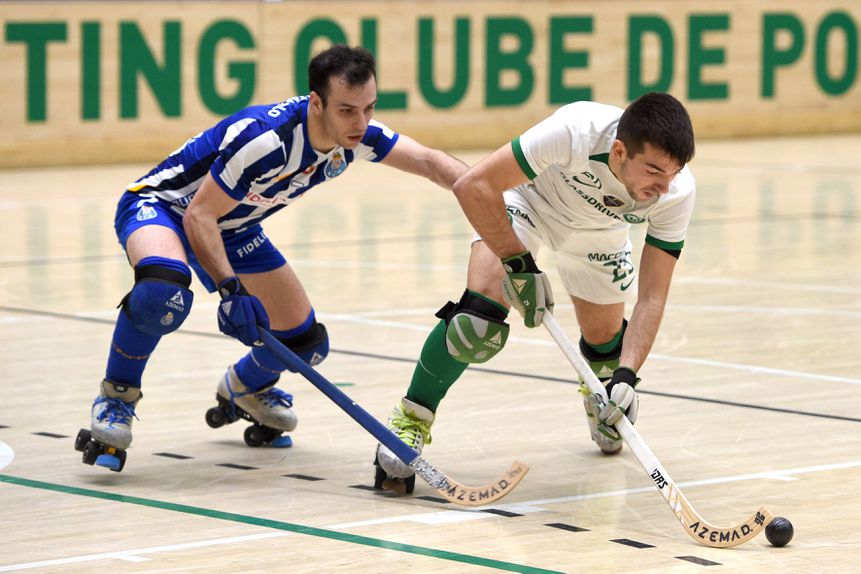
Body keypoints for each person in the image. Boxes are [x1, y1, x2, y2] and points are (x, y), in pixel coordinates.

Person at [75, 45, 469, 471]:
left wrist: (492, 199)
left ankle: (244, 389)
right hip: (165, 208)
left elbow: (430, 162)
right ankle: (117, 397)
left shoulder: (355, 138)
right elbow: (199, 215)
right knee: (162, 294)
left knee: (306, 344)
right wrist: (229, 290)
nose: (361, 123)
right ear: (316, 103)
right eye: (347, 110)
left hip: (233, 228)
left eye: (369, 108)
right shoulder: (266, 141)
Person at [375, 92, 696, 482]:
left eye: (673, 174)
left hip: (601, 233)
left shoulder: (676, 192)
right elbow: (473, 185)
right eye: (653, 171)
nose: (663, 187)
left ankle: (602, 392)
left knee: (605, 346)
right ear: (618, 151)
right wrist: (518, 262)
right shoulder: (574, 131)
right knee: (476, 325)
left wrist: (627, 374)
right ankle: (408, 420)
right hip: (530, 205)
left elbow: (652, 297)